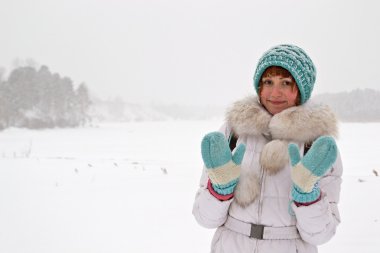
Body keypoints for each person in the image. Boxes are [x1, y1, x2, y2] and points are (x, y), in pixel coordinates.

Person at [192, 44, 342, 253]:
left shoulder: (317, 145)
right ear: (259, 87)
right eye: (268, 81)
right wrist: (219, 189)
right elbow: (205, 218)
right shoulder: (233, 132)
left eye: (286, 83)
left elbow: (322, 233)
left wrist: (307, 196)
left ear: (300, 89)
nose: (275, 92)